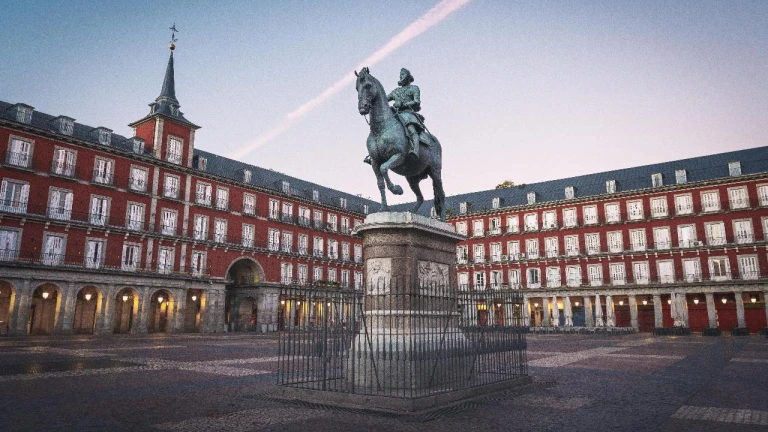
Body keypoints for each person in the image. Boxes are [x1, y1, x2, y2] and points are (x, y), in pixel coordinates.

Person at [363, 68, 427, 164]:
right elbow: (384, 99)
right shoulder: (396, 91)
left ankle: (415, 149)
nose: (401, 76)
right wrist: (371, 98)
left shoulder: (414, 88)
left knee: (410, 128)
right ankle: (373, 154)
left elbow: (416, 101)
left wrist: (403, 104)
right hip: (396, 114)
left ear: (408, 77)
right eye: (400, 75)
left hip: (408, 113)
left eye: (403, 74)